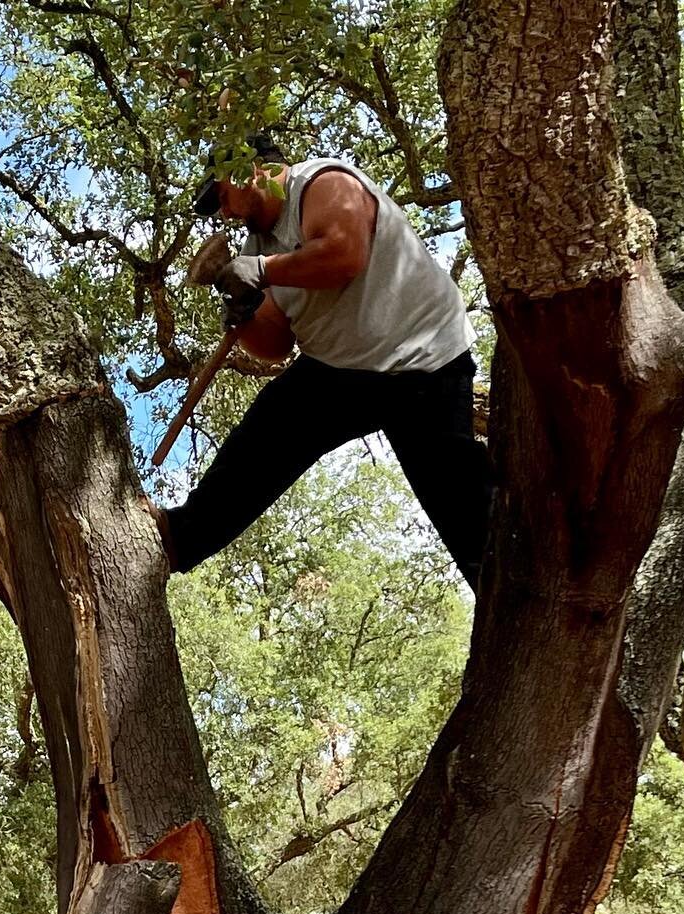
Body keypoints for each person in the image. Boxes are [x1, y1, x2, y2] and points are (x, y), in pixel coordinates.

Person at [158, 136, 492, 591]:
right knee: (265, 436)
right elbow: (276, 344)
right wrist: (243, 309)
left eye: (222, 196)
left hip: (423, 362)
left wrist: (262, 271)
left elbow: (344, 254)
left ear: (249, 169)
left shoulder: (321, 182)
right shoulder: (260, 243)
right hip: (342, 371)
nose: (225, 213)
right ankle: (178, 540)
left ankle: (514, 601)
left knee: (465, 514)